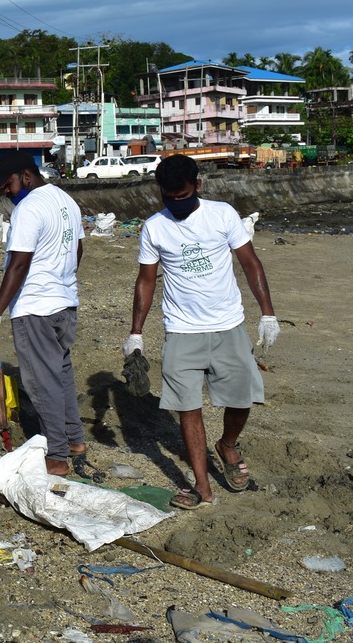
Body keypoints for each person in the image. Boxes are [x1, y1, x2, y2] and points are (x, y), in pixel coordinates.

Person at [125, 154, 280, 510]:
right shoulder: (154, 227)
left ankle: (227, 445)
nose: (177, 204)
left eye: (184, 196)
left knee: (242, 398)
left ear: (198, 184)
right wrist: (136, 331)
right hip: (181, 331)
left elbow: (250, 262)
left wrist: (267, 313)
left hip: (228, 325)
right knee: (187, 407)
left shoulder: (222, 214)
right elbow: (146, 280)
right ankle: (201, 485)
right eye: (169, 198)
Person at [0, 150, 86, 476]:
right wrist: (62, 280)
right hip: (65, 304)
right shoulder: (66, 201)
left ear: (27, 175)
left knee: (42, 383)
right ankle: (74, 439)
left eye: (9, 186)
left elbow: (19, 265)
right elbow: (78, 248)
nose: (8, 194)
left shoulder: (29, 208)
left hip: (36, 309)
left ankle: (56, 455)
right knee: (61, 372)